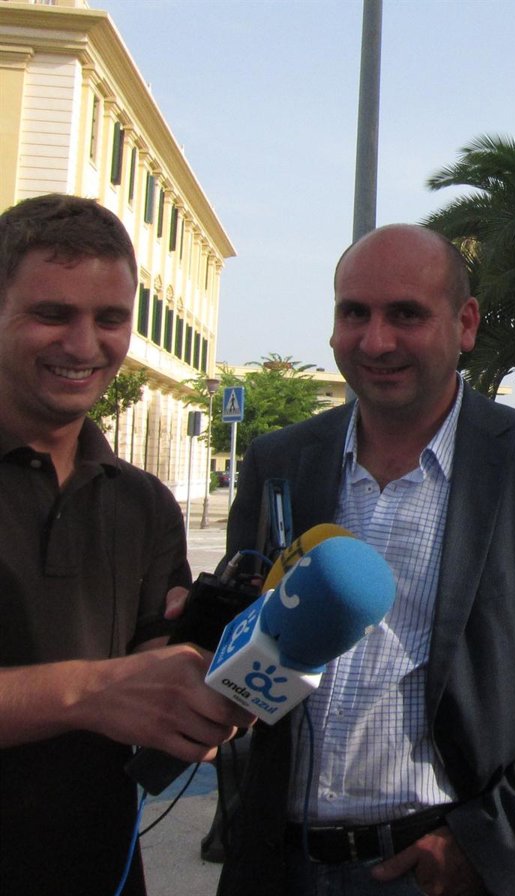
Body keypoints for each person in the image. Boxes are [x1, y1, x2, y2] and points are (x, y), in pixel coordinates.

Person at [216, 225, 515, 896]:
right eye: (354, 313)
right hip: (278, 864)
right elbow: (241, 643)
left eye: (406, 315)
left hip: (443, 869)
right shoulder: (279, 462)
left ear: (466, 324)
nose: (376, 341)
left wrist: (491, 847)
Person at [0, 194, 252, 895]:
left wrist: (201, 677)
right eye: (53, 314)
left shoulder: (144, 503)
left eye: (110, 319)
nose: (85, 346)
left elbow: (146, 660)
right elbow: (106, 690)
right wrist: (91, 692)